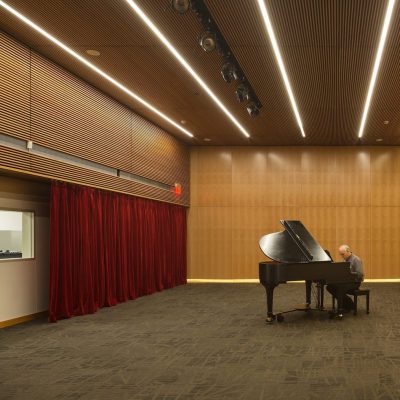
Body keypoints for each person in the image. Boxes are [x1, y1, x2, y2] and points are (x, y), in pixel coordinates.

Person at [326, 245, 364, 312]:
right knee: (330, 287)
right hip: (346, 281)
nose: (342, 256)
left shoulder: (356, 260)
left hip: (355, 282)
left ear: (348, 251)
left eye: (343, 254)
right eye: (340, 254)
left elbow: (360, 274)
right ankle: (349, 304)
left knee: (340, 288)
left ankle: (341, 308)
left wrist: (349, 275)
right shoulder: (345, 259)